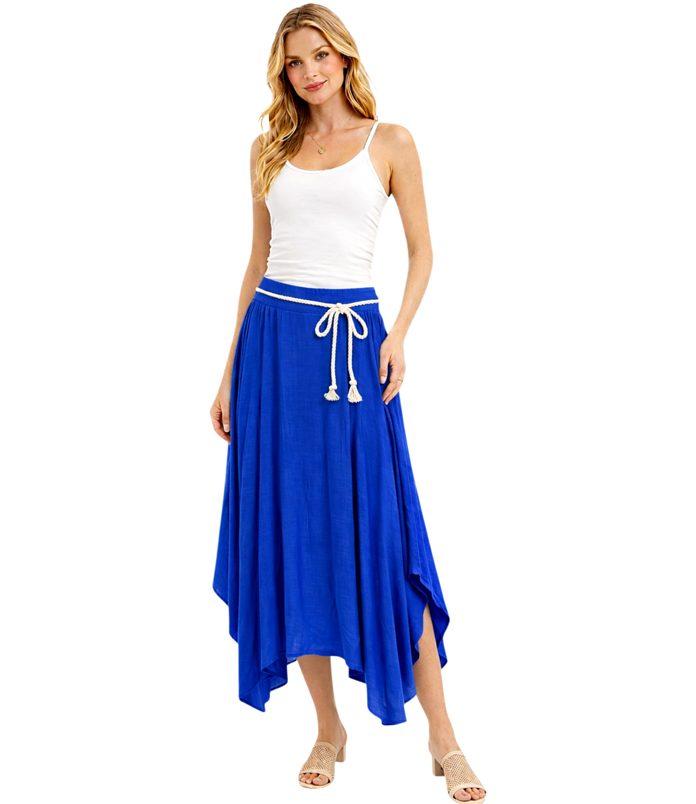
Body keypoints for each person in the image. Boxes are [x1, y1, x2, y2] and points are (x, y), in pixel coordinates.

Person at [210, 5, 487, 801]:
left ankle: (444, 737)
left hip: (356, 354)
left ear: (344, 57)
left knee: (385, 536)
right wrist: (228, 374)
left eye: (320, 55)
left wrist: (398, 334)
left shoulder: (389, 141)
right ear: (283, 72)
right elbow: (256, 263)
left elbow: (424, 250)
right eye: (294, 61)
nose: (309, 72)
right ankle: (327, 727)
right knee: (292, 535)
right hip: (274, 352)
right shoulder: (267, 148)